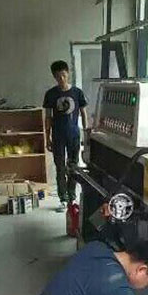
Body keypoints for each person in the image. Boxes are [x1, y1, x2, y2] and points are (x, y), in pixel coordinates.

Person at [43, 60, 89, 212]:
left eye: (63, 75)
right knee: (60, 167)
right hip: (58, 136)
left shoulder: (77, 93)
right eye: (58, 76)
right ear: (54, 77)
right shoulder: (51, 94)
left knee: (73, 167)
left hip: (74, 135)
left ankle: (72, 196)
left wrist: (86, 134)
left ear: (68, 73)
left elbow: (83, 113)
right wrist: (47, 137)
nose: (61, 79)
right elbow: (48, 117)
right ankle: (63, 198)